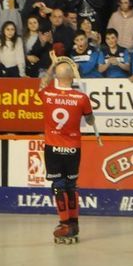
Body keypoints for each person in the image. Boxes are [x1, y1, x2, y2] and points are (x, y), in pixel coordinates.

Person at [38, 59, 98, 245]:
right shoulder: (81, 98)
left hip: (53, 147)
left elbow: (42, 83)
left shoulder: (47, 94)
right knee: (71, 185)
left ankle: (64, 224)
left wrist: (51, 65)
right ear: (72, 78)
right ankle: (74, 223)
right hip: (73, 148)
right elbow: (89, 121)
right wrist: (88, 112)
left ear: (57, 77)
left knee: (58, 185)